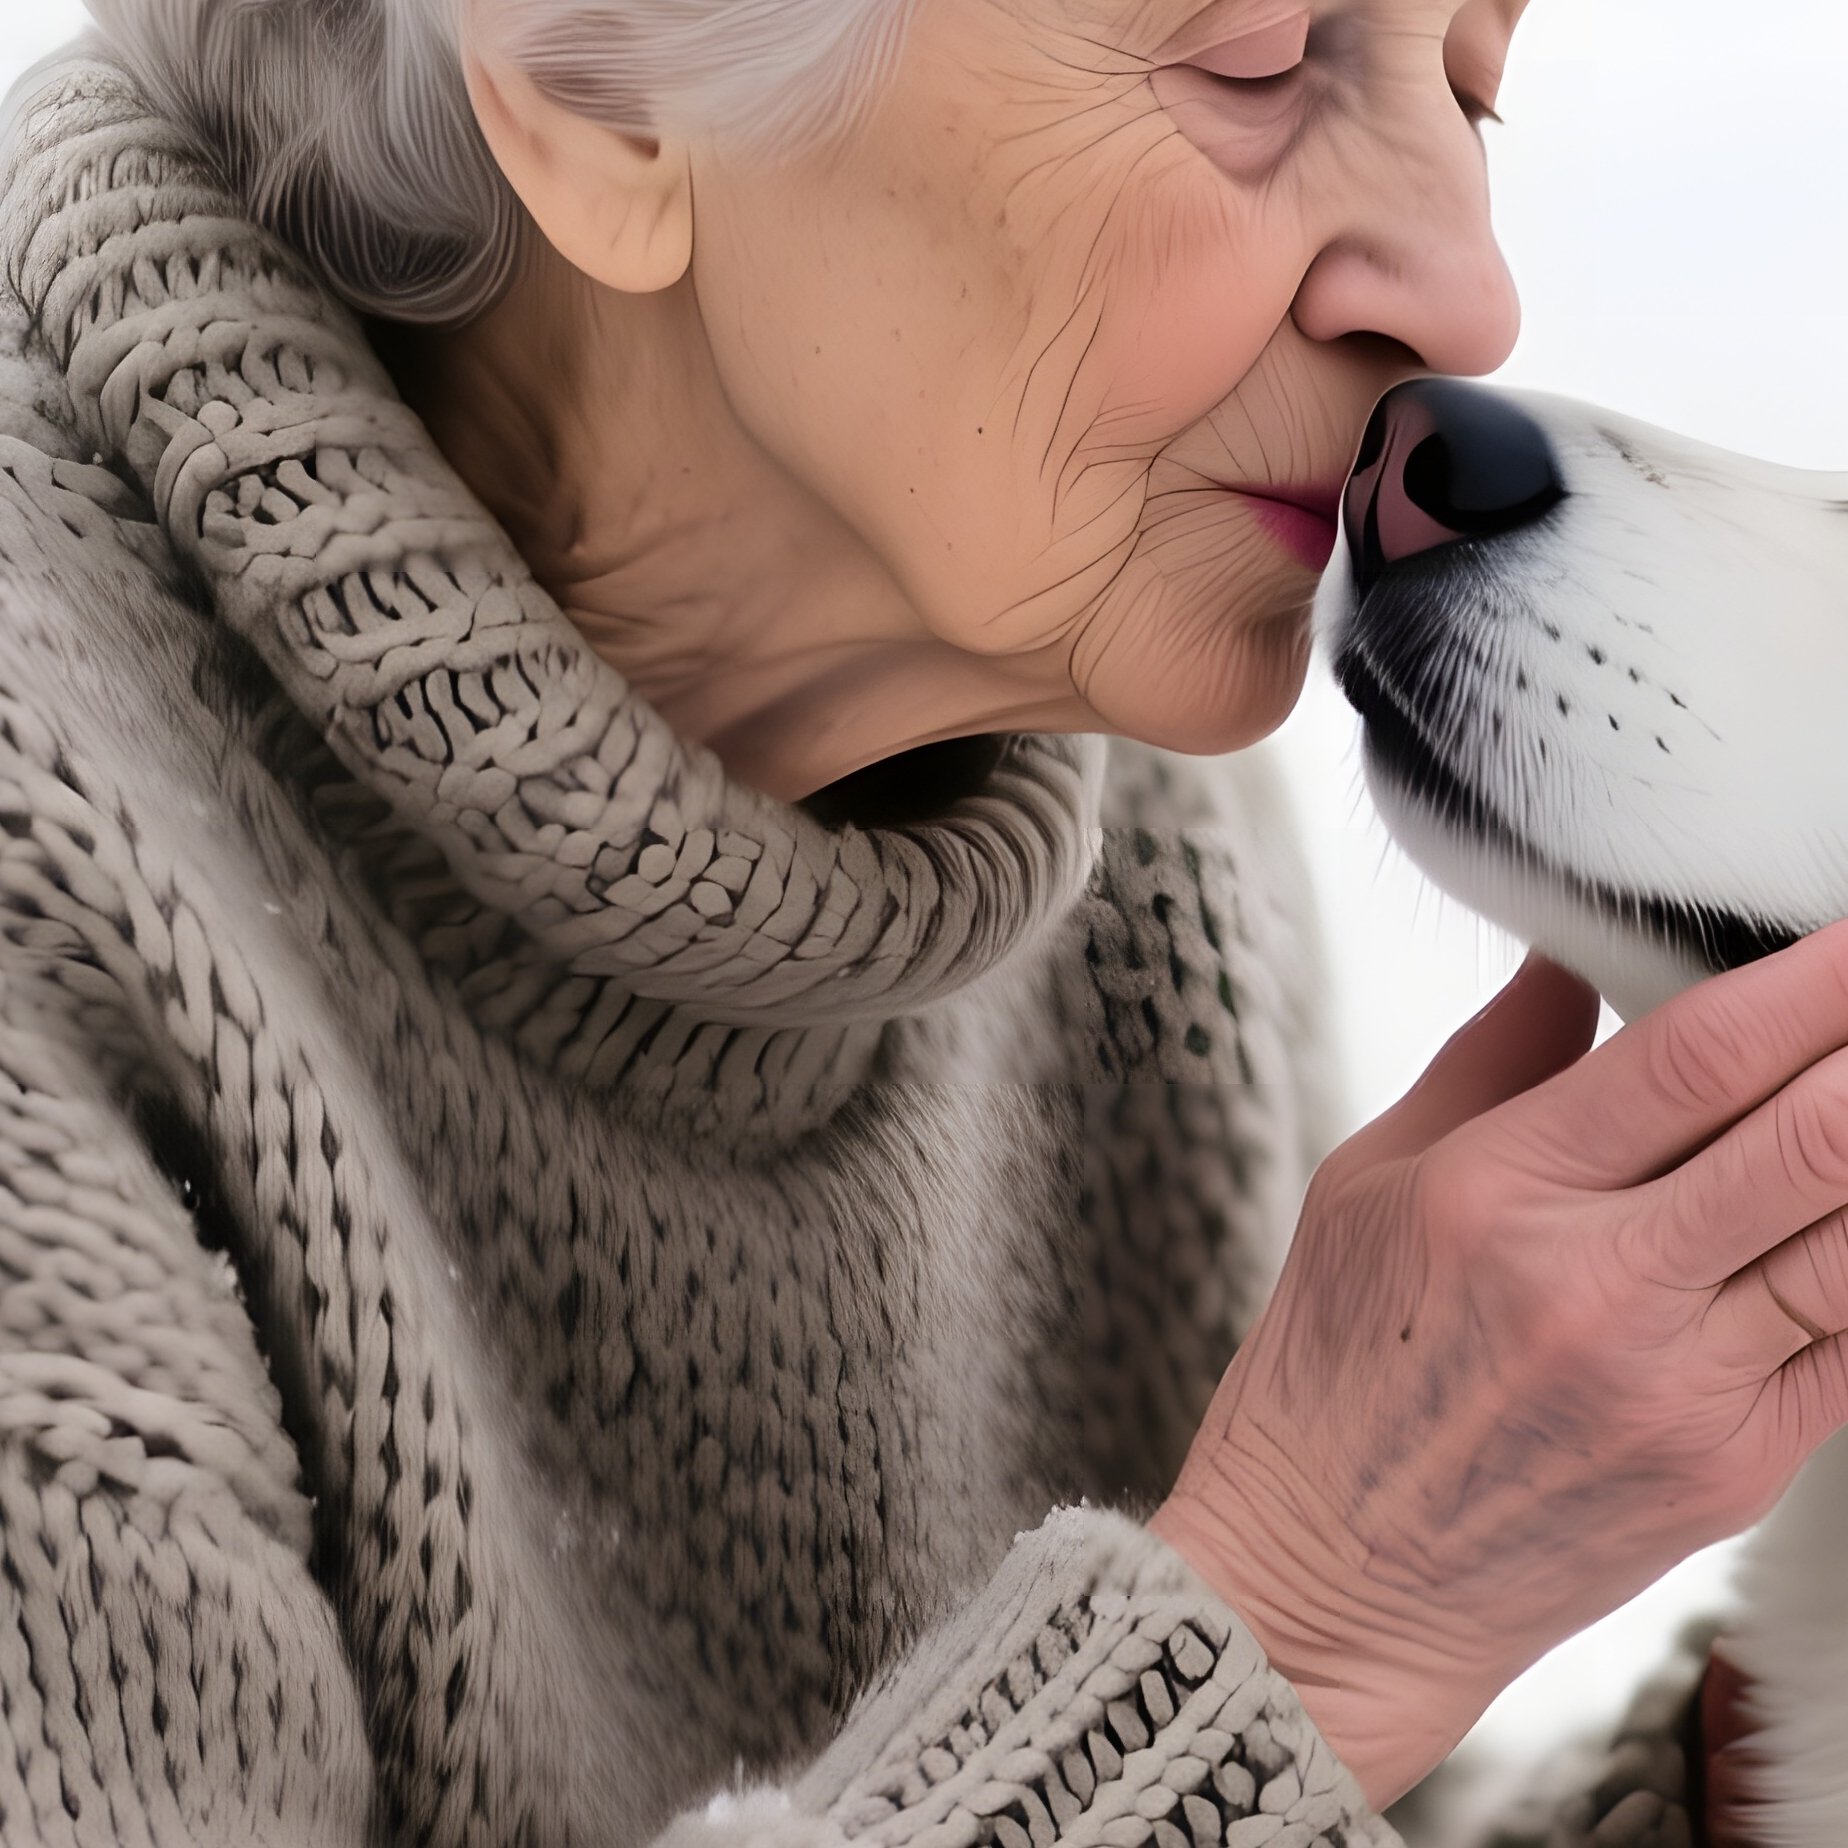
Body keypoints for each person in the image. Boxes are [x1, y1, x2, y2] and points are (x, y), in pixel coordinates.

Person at [0, 0, 1836, 1843]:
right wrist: (1315, 1610)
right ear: (593, 85)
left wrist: (1751, 1779)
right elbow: (1256, 1724)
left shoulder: (1127, 840)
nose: (1466, 292)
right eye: (1259, 59)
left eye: (1469, 86)